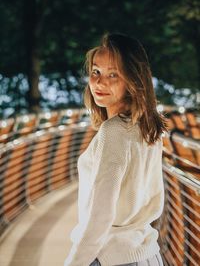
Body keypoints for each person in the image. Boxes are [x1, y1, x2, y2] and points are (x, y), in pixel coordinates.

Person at [64, 33, 167, 266]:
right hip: (146, 254)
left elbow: (100, 216)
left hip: (111, 257)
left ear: (133, 80)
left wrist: (75, 262)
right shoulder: (149, 126)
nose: (99, 82)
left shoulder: (113, 132)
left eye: (113, 74)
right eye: (95, 72)